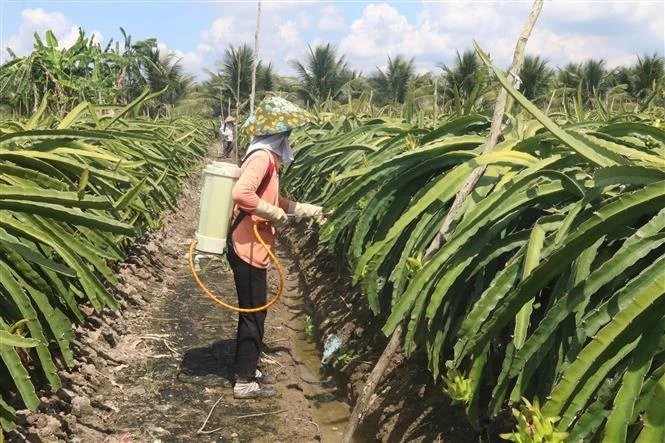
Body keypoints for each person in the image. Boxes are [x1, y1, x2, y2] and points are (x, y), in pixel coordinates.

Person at [228, 96, 322, 399]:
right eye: (288, 134)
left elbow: (271, 199)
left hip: (253, 243)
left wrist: (303, 208)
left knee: (256, 311)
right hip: (248, 245)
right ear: (280, 134)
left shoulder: (266, 158)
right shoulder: (263, 158)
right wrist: (273, 214)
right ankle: (244, 382)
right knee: (253, 313)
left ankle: (249, 368)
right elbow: (241, 193)